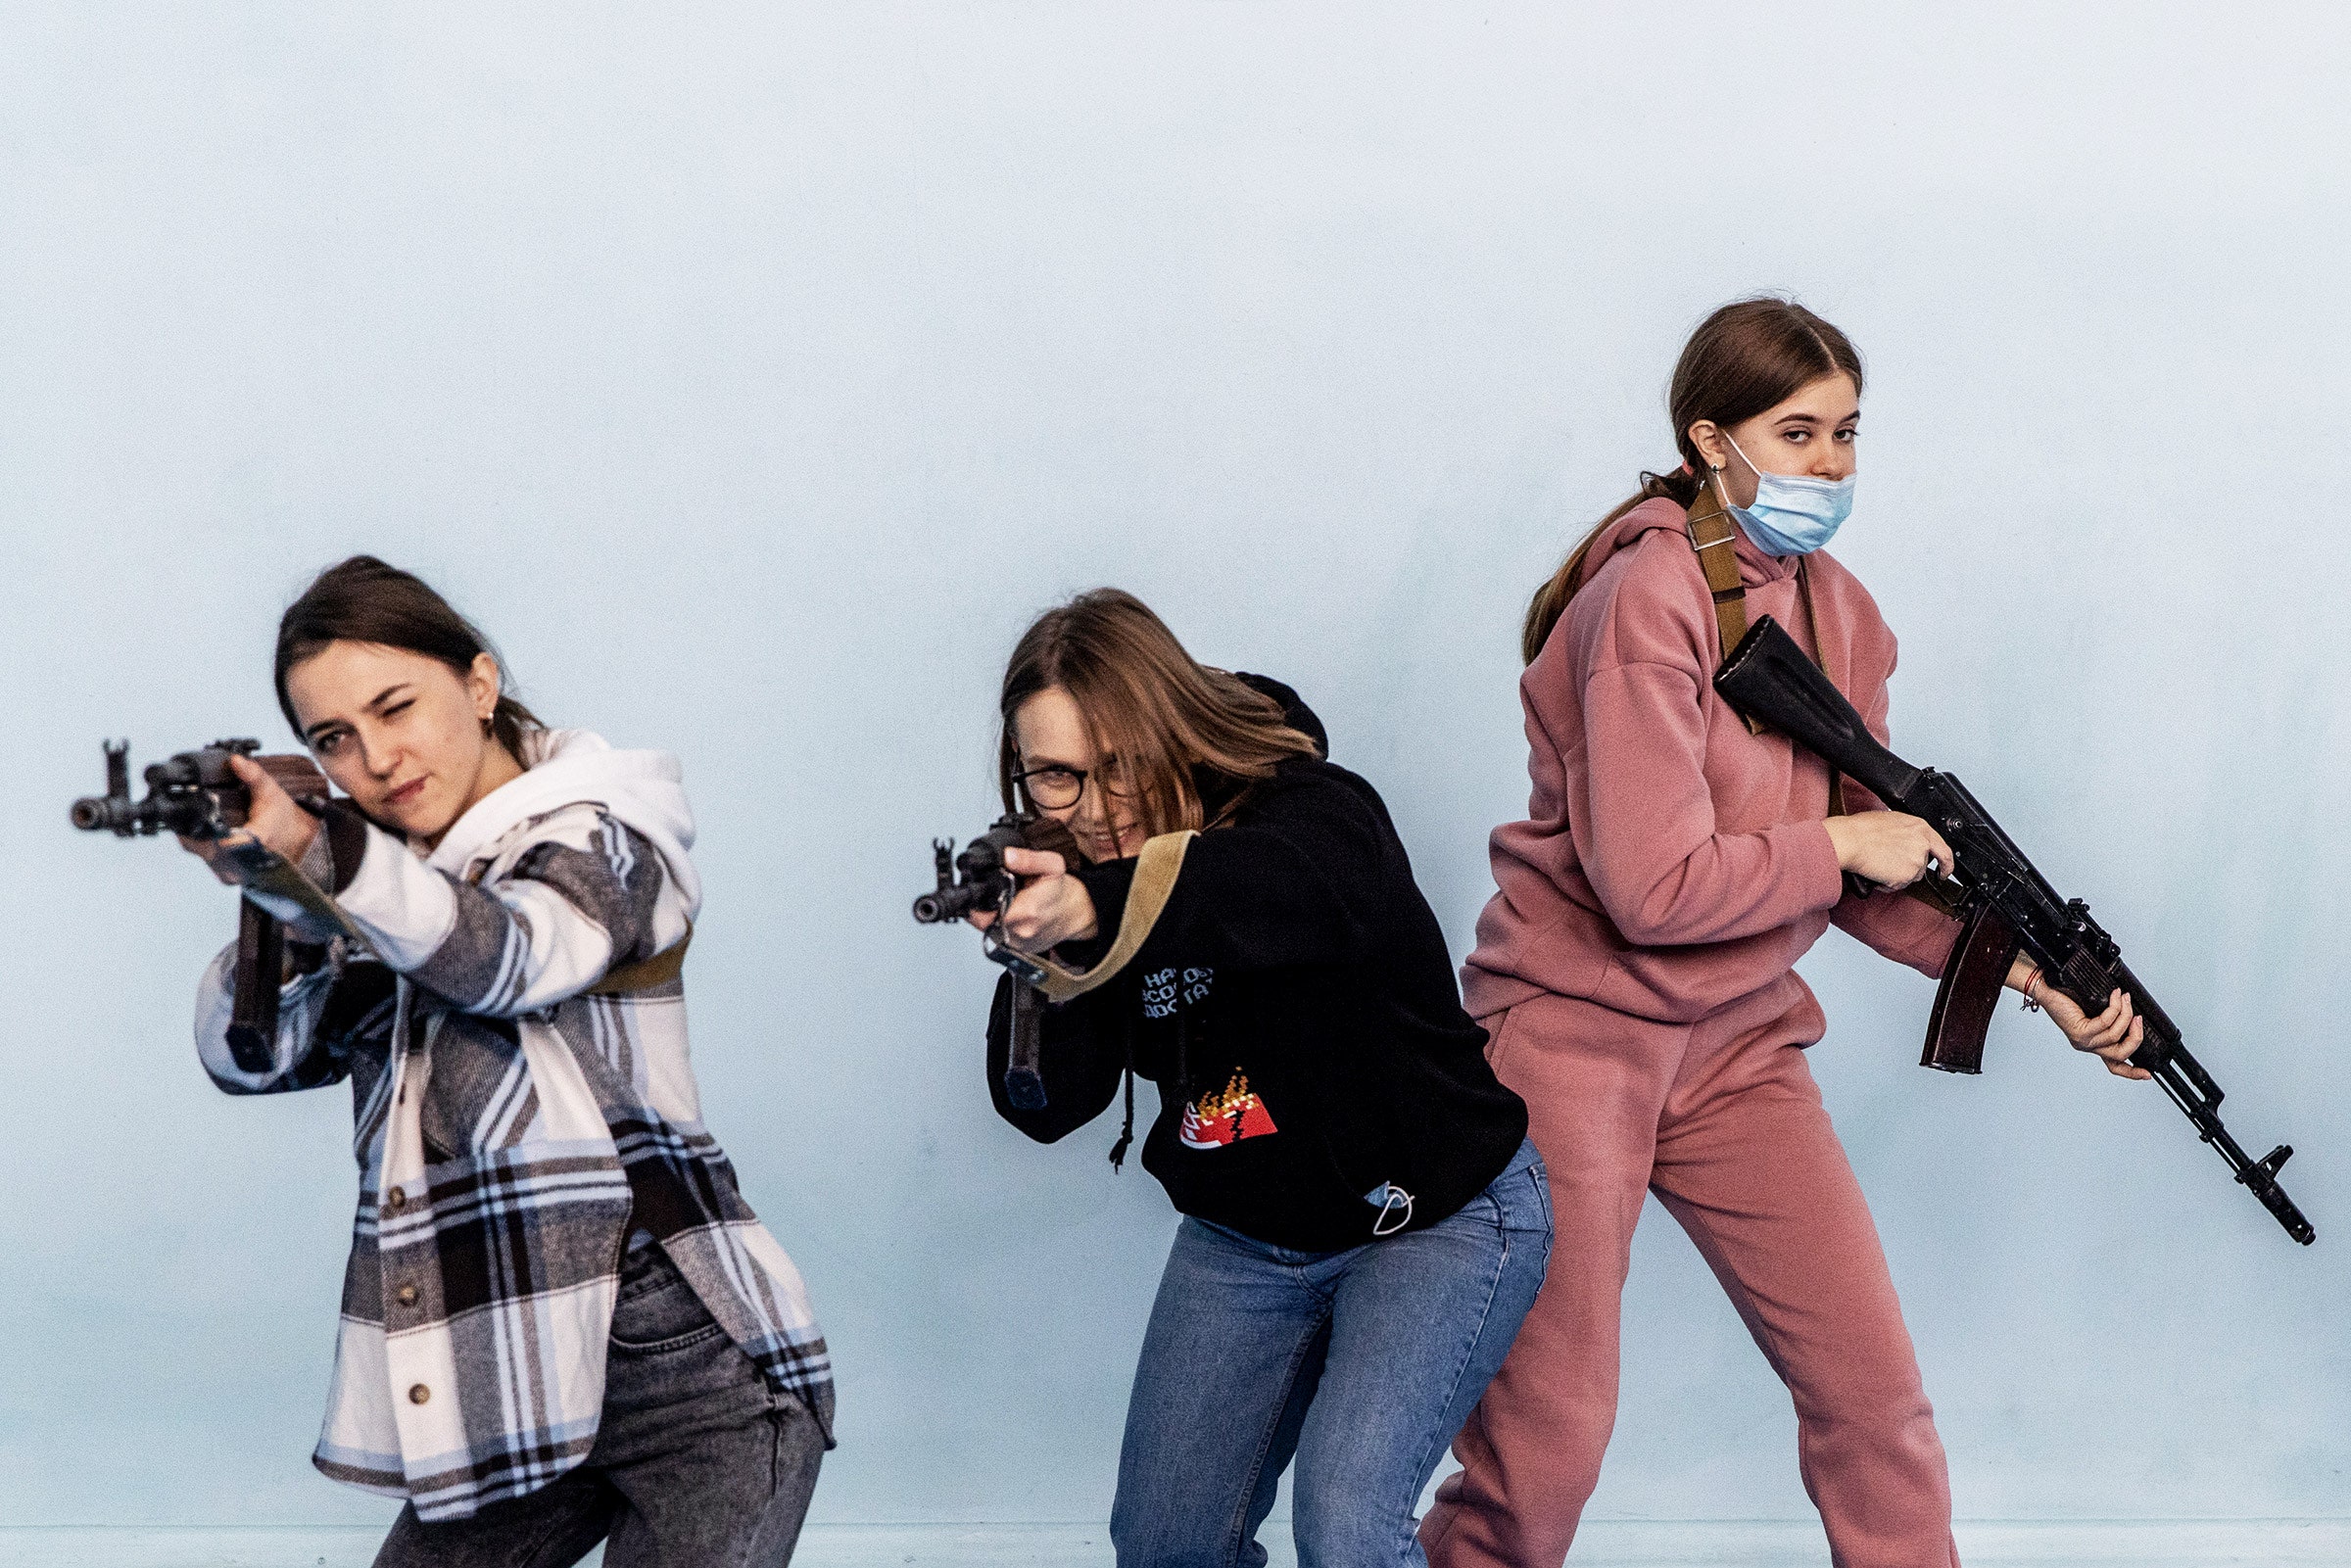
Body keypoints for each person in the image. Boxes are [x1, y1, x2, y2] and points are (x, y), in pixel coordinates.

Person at [1418, 299, 2149, 1568]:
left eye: (1848, 434)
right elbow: (1653, 888)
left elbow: (1874, 878)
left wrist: (2037, 978)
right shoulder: (1644, 598)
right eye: (1796, 431)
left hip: (1741, 1042)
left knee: (1874, 1393)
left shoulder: (1841, 613)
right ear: (1711, 439)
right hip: (1577, 1040)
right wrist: (1842, 846)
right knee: (1550, 1437)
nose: (1829, 464)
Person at [181, 556, 833, 1566]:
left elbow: (510, 955)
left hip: (691, 1363)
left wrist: (324, 859)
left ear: (478, 685)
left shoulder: (610, 833)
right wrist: (283, 902)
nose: (378, 757)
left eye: (397, 706)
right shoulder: (388, 888)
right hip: (510, 1368)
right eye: (333, 739)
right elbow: (252, 1056)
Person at [973, 589, 1551, 1568]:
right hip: (1247, 1238)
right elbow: (1046, 1105)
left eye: (1119, 767)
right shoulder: (1084, 887)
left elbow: (1256, 890)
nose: (1096, 807)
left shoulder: (1320, 813)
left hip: (1438, 1214)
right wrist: (1043, 956)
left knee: (1350, 1526)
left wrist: (1097, 908)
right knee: (1164, 1545)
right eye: (1057, 778)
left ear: (1175, 732)